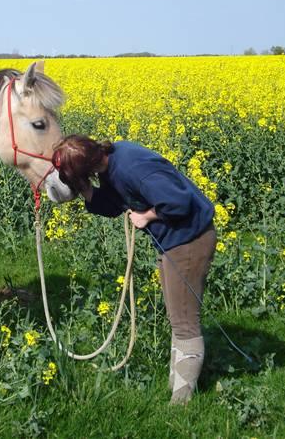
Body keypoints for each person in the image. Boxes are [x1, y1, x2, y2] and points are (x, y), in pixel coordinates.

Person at [52, 135, 216, 404]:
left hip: (190, 241)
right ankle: (177, 388)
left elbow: (178, 202)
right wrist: (85, 190)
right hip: (174, 242)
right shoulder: (110, 162)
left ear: (88, 167)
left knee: (184, 322)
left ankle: (181, 404)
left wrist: (146, 216)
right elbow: (115, 204)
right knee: (178, 317)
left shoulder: (131, 168)